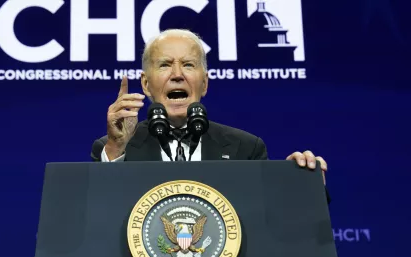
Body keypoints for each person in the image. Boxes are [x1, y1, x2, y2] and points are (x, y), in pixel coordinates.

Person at [90, 29, 328, 186]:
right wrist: (117, 149)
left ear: (204, 83)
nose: (177, 74)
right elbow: (99, 216)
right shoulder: (112, 150)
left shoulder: (245, 149)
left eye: (188, 65)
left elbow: (271, 222)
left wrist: (300, 183)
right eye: (164, 65)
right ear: (145, 84)